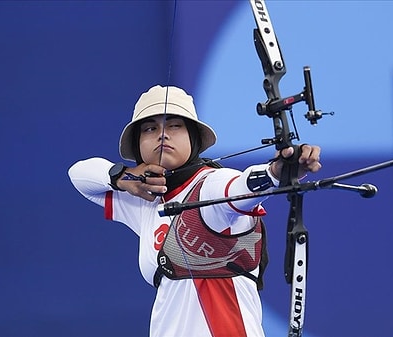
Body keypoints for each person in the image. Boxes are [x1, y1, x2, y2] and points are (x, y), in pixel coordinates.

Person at [68, 85, 322, 337]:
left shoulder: (211, 185)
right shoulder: (145, 201)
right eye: (150, 128)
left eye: (175, 125)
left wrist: (277, 171)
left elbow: (242, 186)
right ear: (138, 145)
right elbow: (79, 175)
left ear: (193, 138)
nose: (162, 134)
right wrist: (121, 176)